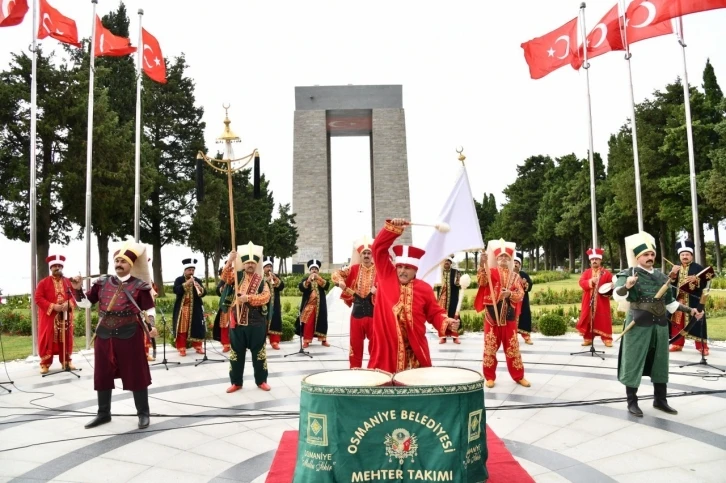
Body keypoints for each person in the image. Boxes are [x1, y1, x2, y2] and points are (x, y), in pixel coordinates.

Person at [71, 239, 158, 429]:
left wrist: (151, 326)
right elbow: (86, 303)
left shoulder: (139, 286)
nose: (119, 264)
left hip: (129, 334)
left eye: (123, 261)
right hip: (104, 335)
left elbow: (149, 309)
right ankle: (103, 413)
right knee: (102, 374)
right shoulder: (102, 283)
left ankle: (143, 413)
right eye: (117, 261)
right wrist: (77, 290)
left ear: (131, 265)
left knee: (136, 374)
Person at [613, 232, 703, 417]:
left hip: (660, 325)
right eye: (646, 255)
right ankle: (632, 402)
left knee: (660, 363)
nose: (650, 257)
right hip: (638, 324)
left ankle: (660, 400)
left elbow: (670, 303)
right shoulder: (628, 274)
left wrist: (690, 311)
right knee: (633, 361)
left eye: (652, 254)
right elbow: (617, 294)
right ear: (638, 257)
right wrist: (627, 286)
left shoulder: (662, 277)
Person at [367, 219, 458, 374]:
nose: (402, 271)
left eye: (407, 268)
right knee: (383, 390)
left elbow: (435, 313)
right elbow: (377, 248)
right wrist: (393, 228)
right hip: (387, 351)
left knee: (415, 390)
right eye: (400, 267)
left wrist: (446, 322)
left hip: (415, 352)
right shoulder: (386, 276)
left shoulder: (424, 289)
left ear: (415, 270)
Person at [475, 239, 530, 388]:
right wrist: (482, 264)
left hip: (509, 317)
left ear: (510, 259)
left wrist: (509, 294)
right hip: (492, 317)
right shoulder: (490, 271)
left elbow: (520, 294)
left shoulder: (515, 276)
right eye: (501, 257)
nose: (503, 259)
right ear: (497, 259)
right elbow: (481, 282)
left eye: (506, 257)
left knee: (513, 347)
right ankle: (489, 377)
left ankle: (518, 376)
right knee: (490, 347)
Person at [220, 243, 271, 393]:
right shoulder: (237, 276)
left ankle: (261, 380)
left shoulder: (261, 280)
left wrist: (248, 298)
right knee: (236, 354)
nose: (249, 265)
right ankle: (236, 382)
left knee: (259, 353)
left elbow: (266, 297)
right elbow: (224, 277)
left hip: (257, 323)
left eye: (252, 263)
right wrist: (230, 261)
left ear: (256, 265)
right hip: (238, 323)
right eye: (247, 262)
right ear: (244, 263)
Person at [332, 236, 377, 368]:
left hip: (373, 311)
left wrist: (378, 288)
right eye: (364, 253)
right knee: (355, 344)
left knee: (375, 344)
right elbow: (336, 273)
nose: (367, 256)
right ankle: (355, 370)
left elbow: (388, 281)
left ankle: (374, 369)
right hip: (357, 311)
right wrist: (340, 281)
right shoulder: (354, 269)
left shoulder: (379, 269)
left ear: (372, 255)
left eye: (369, 253)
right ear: (360, 255)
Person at [35, 254, 77, 374]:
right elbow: (38, 298)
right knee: (48, 338)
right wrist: (53, 306)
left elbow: (75, 295)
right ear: (51, 268)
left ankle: (66, 361)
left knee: (66, 337)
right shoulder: (43, 283)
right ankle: (45, 363)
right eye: (54, 266)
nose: (57, 268)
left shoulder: (68, 281)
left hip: (65, 315)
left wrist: (69, 303)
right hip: (50, 317)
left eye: (59, 265)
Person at [668, 240, 708, 355]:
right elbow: (670, 283)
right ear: (679, 256)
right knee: (677, 323)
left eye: (687, 255)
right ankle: (677, 344)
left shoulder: (698, 268)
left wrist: (697, 280)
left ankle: (702, 347)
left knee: (697, 322)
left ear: (691, 256)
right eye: (682, 255)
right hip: (679, 300)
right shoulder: (676, 267)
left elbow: (705, 283)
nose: (685, 256)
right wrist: (672, 274)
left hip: (694, 301)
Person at [576, 248, 614, 347]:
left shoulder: (606, 273)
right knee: (588, 318)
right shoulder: (587, 272)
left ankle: (607, 339)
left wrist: (612, 285)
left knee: (603, 318)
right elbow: (581, 282)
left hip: (602, 301)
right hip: (588, 300)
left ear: (600, 260)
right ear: (590, 260)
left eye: (596, 259)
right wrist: (591, 281)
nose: (594, 261)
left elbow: (613, 284)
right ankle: (588, 338)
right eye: (592, 259)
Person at [172, 257, 206, 356]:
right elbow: (176, 290)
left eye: (192, 270)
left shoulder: (197, 280)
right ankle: (182, 348)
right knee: (182, 328)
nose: (191, 272)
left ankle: (198, 346)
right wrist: (187, 283)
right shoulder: (179, 279)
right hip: (182, 308)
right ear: (185, 270)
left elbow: (204, 293)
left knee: (197, 326)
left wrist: (200, 288)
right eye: (189, 270)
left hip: (195, 308)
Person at [295, 259, 330, 348]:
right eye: (312, 269)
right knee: (308, 323)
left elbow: (326, 286)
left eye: (316, 269)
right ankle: (306, 341)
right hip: (309, 305)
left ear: (318, 271)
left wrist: (319, 279)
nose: (314, 270)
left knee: (322, 322)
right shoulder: (306, 279)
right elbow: (301, 288)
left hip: (320, 306)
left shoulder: (321, 279)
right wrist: (308, 281)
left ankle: (323, 340)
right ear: (310, 270)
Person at [434, 255, 461, 344]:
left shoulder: (455, 272)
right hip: (441, 300)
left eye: (448, 261)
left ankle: (455, 337)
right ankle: (443, 337)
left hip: (453, 299)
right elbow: (434, 285)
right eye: (445, 261)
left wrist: (459, 280)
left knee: (454, 316)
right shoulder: (438, 273)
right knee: (442, 318)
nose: (446, 262)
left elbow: (459, 284)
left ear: (451, 262)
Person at [263, 256, 285, 350]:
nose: (269, 268)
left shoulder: (276, 276)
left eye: (270, 266)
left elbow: (281, 287)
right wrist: (266, 280)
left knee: (275, 321)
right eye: (267, 266)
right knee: (262, 322)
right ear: (263, 268)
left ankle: (274, 341)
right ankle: (261, 342)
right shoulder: (259, 276)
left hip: (274, 303)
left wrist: (275, 279)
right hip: (262, 303)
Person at [513, 251, 534, 345]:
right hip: (512, 301)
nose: (515, 265)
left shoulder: (524, 274)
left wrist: (525, 284)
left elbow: (530, 284)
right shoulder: (508, 274)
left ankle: (527, 337)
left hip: (523, 301)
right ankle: (512, 338)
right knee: (511, 319)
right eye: (513, 262)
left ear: (520, 264)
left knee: (525, 317)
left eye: (517, 263)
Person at [212, 265, 232, 353]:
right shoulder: (223, 282)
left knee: (238, 325)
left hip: (237, 305)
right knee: (224, 324)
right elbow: (218, 290)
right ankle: (226, 344)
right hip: (226, 306)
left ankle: (238, 344)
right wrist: (224, 288)